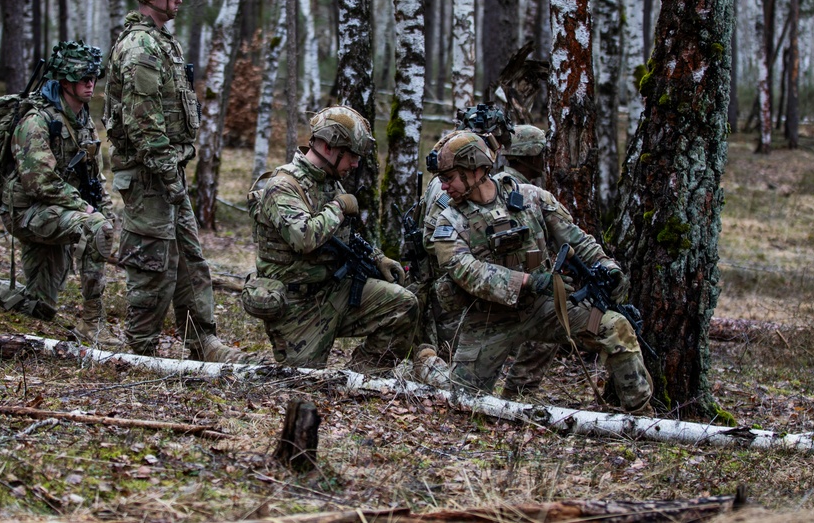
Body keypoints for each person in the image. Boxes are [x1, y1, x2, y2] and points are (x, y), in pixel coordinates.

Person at [427, 131, 652, 412]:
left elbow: (576, 239)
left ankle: (639, 416)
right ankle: (427, 363)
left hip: (547, 309)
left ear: (475, 169)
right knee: (461, 401)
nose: (444, 186)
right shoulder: (448, 222)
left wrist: (607, 266)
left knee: (615, 326)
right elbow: (467, 272)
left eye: (449, 178)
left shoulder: (531, 198)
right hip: (488, 320)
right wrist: (528, 281)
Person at [103, 0, 246, 362]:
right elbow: (142, 123)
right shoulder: (141, 48)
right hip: (150, 176)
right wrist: (166, 173)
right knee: (152, 264)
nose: (180, 0)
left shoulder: (162, 40)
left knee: (189, 259)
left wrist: (172, 173)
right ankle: (141, 349)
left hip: (167, 173)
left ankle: (202, 339)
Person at [0, 41, 118, 346]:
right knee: (96, 229)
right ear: (64, 81)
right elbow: (40, 181)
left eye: (94, 77)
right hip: (27, 213)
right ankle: (93, 325)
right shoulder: (36, 121)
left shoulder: (83, 120)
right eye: (83, 78)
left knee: (40, 308)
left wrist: (105, 208)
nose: (91, 84)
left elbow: (94, 176)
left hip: (58, 211)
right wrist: (87, 211)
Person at [243, 105, 421, 372]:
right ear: (328, 147)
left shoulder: (329, 182)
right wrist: (337, 208)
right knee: (300, 382)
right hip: (296, 307)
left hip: (332, 291)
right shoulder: (283, 186)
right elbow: (303, 239)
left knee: (404, 304)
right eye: (351, 155)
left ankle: (360, 377)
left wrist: (377, 258)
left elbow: (344, 238)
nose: (356, 164)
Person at [418, 108, 556, 398]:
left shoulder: (501, 185)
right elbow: (435, 242)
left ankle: (520, 393)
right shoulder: (451, 185)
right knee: (463, 387)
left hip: (502, 287)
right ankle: (426, 364)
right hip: (464, 291)